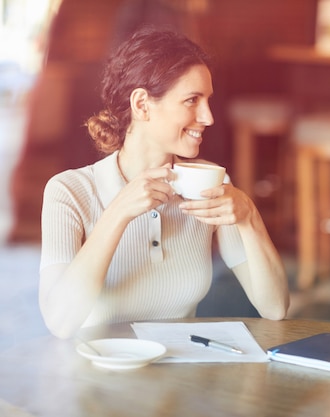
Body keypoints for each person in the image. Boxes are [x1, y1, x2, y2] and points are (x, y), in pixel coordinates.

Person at [39, 27, 290, 339]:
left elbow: (275, 307)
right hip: (98, 380)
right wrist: (118, 213)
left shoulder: (211, 184)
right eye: (192, 100)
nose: (208, 116)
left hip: (180, 380)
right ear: (142, 104)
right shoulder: (69, 192)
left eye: (207, 100)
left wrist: (249, 215)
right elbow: (60, 321)